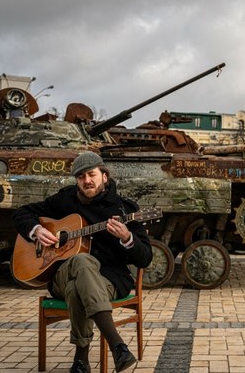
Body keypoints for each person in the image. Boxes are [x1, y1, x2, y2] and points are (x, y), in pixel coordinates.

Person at [12, 152, 153, 373]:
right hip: (61, 274)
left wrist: (127, 237)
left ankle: (81, 360)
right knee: (81, 260)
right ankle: (118, 345)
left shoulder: (124, 210)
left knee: (77, 286)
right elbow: (22, 212)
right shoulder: (65, 200)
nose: (86, 180)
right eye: (80, 177)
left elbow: (146, 257)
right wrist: (37, 230)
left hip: (109, 280)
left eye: (91, 174)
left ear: (104, 176)